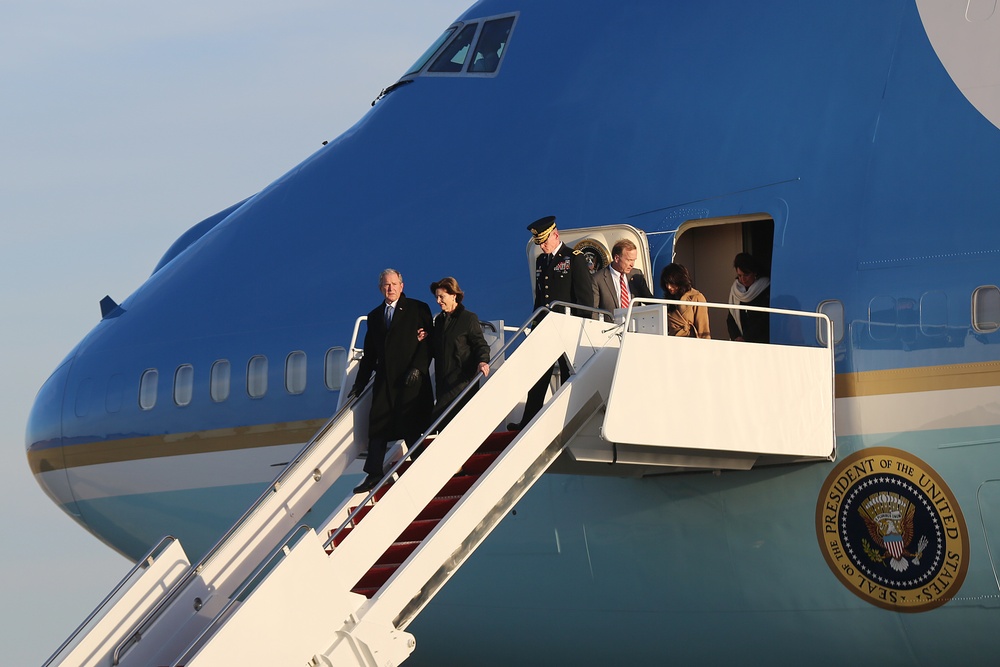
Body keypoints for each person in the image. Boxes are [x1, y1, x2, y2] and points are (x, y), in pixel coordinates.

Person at [349, 268, 434, 493]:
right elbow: (370, 355)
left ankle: (423, 464)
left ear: (402, 286)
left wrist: (417, 369)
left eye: (394, 284)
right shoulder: (375, 316)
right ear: (380, 289)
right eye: (387, 285)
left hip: (410, 379)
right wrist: (359, 383)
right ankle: (374, 473)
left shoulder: (417, 308)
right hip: (386, 379)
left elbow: (428, 343)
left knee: (411, 425)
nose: (391, 288)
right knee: (377, 424)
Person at [507, 215, 592, 431]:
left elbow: (585, 298)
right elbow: (540, 297)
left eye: (545, 241)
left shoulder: (574, 257)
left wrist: (582, 328)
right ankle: (528, 419)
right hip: (546, 327)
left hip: (567, 328)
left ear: (556, 234)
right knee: (538, 372)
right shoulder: (541, 260)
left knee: (566, 373)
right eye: (539, 243)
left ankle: (564, 417)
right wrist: (535, 324)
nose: (543, 246)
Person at [425, 277, 491, 427]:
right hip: (442, 382)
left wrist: (482, 361)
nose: (438, 301)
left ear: (454, 295)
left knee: (438, 419)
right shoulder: (440, 322)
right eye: (436, 297)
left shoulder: (468, 318)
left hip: (462, 380)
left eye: (442, 296)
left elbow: (480, 344)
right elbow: (437, 349)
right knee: (449, 424)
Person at [591, 238, 653, 317]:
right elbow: (594, 311)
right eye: (629, 260)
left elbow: (649, 300)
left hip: (635, 325)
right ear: (617, 258)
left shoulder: (637, 275)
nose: (632, 264)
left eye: (634, 260)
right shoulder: (597, 279)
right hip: (611, 327)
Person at [726, 252, 771, 343]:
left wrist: (746, 337)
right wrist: (736, 337)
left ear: (755, 273)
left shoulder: (765, 288)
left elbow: (765, 319)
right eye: (739, 276)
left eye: (746, 275)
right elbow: (731, 318)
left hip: (761, 341)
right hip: (741, 342)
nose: (743, 279)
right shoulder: (735, 290)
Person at [660, 263, 711, 338]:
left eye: (672, 283)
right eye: (666, 283)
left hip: (692, 342)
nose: (669, 287)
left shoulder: (696, 297)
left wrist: (705, 347)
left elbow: (703, 328)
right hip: (673, 342)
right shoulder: (668, 300)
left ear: (680, 281)